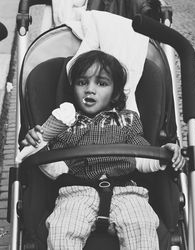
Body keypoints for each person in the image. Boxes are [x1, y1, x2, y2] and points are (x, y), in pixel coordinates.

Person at [22, 50, 185, 250]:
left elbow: (141, 158)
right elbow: (57, 170)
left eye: (101, 83)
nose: (90, 90)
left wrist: (163, 155)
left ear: (115, 93)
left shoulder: (127, 120)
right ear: (72, 88)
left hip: (126, 190)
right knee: (62, 228)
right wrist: (39, 146)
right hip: (76, 192)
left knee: (142, 224)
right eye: (82, 82)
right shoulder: (66, 125)